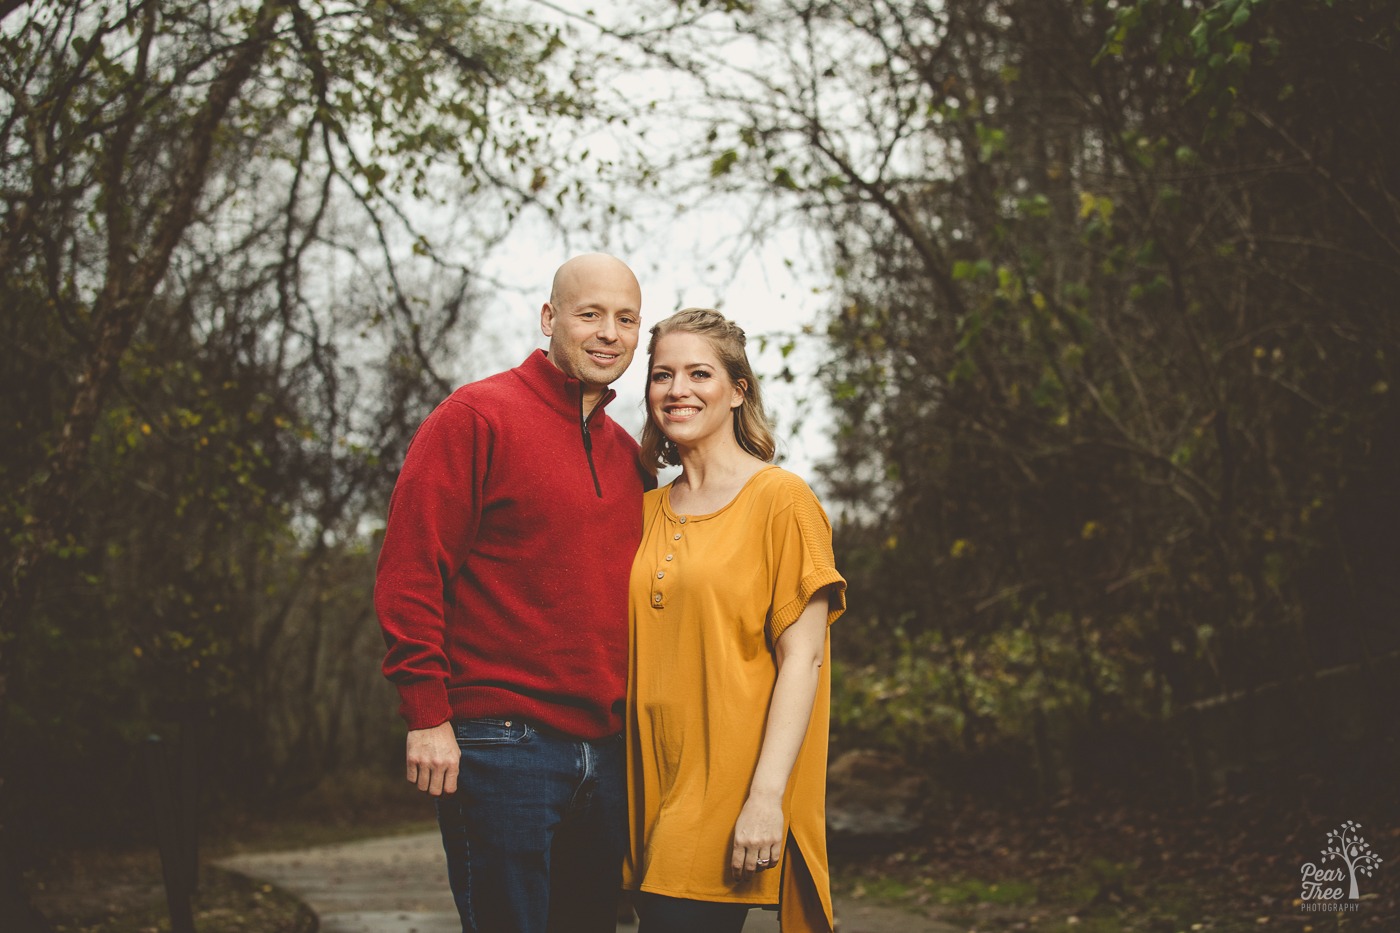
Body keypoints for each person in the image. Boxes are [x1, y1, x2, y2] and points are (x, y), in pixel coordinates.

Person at [374, 253, 651, 933]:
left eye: (625, 318)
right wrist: (426, 712)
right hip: (501, 745)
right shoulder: (476, 416)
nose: (609, 332)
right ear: (550, 318)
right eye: (590, 314)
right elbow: (411, 569)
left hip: (607, 752)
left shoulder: (627, 458)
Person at [623, 308, 847, 933]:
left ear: (737, 390)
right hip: (644, 789)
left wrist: (766, 799)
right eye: (663, 375)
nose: (678, 390)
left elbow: (803, 660)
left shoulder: (783, 501)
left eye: (700, 373)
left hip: (730, 789)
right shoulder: (640, 510)